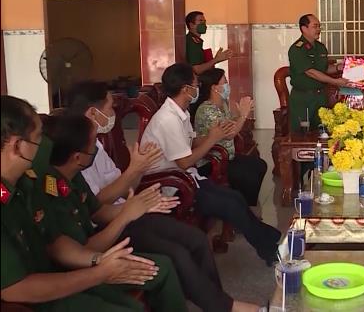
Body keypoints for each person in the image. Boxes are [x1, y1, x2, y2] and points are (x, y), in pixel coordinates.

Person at [66, 81, 262, 312]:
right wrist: (132, 184)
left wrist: (138, 171)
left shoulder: (96, 145)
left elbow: (124, 186)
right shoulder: (75, 155)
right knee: (177, 253)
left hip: (129, 210)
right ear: (93, 113)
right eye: (110, 107)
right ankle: (225, 306)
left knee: (197, 239)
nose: (113, 113)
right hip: (112, 224)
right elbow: (97, 205)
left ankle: (217, 303)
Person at [1, 95, 182, 312]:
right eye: (39, 137)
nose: (46, 145)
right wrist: (99, 273)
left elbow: (55, 242)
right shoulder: (40, 179)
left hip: (56, 275)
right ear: (18, 146)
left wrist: (99, 261)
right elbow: (17, 289)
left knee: (135, 303)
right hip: (28, 301)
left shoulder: (27, 182)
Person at [141, 63, 281, 266]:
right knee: (230, 204)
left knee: (235, 197)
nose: (198, 88)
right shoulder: (167, 119)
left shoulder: (180, 112)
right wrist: (213, 138)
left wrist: (213, 135)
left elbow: (191, 142)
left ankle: (271, 240)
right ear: (185, 89)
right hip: (171, 187)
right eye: (195, 84)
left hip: (187, 177)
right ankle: (270, 250)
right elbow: (184, 162)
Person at [192, 68, 266, 206]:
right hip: (212, 161)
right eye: (225, 82)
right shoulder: (207, 109)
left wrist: (240, 114)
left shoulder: (222, 104)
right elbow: (229, 134)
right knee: (248, 174)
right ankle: (244, 206)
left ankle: (247, 204)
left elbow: (230, 123)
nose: (228, 85)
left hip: (227, 157)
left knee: (259, 165)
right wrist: (243, 115)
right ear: (215, 88)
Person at [288, 13, 348, 133]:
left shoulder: (320, 47)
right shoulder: (297, 49)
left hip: (320, 97)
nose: (319, 29)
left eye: (319, 26)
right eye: (315, 26)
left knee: (323, 132)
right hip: (303, 98)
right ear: (304, 28)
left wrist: (338, 68)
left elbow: (323, 69)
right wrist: (335, 81)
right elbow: (311, 72)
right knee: (301, 134)